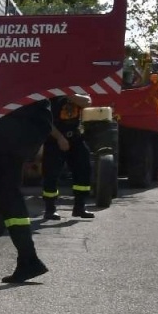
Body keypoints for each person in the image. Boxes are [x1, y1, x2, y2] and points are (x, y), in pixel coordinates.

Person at [0, 100, 54, 284]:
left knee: (8, 194)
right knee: (7, 194)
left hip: (20, 125)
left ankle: (29, 259)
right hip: (27, 126)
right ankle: (28, 259)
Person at [41, 93, 95, 221]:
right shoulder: (49, 95)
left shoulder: (74, 90)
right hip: (54, 139)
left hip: (75, 138)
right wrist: (60, 138)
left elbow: (87, 102)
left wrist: (70, 94)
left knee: (84, 169)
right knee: (51, 174)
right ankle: (50, 209)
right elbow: (45, 120)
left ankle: (80, 207)